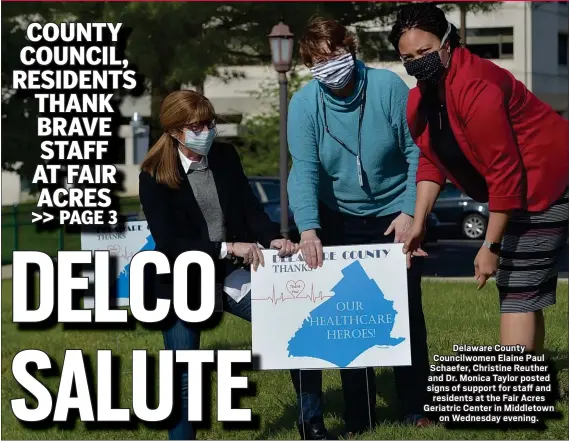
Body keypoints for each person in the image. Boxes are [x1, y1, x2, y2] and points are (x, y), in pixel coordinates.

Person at [389, 4, 569, 353]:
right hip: (519, 185)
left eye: (424, 51)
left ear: (447, 42)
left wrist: (490, 246)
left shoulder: (476, 87)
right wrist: (419, 222)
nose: (417, 62)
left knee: (517, 287)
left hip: (547, 181)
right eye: (407, 56)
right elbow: (431, 160)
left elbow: (504, 171)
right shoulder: (420, 99)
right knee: (521, 288)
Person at [286, 16, 431, 440]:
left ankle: (415, 407)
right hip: (339, 217)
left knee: (406, 313)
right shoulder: (304, 104)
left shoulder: (387, 88)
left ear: (349, 49)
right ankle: (359, 416)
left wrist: (410, 213)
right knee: (350, 317)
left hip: (395, 214)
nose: (326, 66)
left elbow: (415, 153)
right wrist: (309, 229)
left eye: (332, 56)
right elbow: (305, 170)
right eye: (316, 61)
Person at [139, 90, 297, 440]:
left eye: (211, 123)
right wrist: (229, 247)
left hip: (232, 275)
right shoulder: (153, 174)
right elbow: (170, 243)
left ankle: (310, 422)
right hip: (183, 281)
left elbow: (250, 209)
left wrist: (272, 239)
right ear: (175, 130)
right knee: (184, 375)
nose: (208, 130)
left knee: (293, 325)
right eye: (198, 125)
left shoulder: (225, 156)